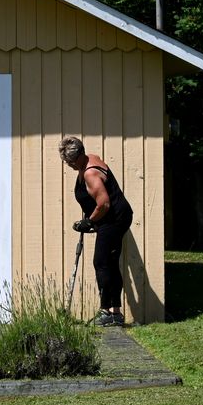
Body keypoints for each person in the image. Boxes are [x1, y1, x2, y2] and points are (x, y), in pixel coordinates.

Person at [58, 136, 134, 326]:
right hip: (111, 218)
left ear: (79, 157)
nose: (69, 166)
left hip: (113, 219)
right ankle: (115, 313)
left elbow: (104, 203)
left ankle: (106, 311)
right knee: (110, 262)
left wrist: (88, 222)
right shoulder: (89, 159)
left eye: (70, 162)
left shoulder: (90, 173)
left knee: (101, 262)